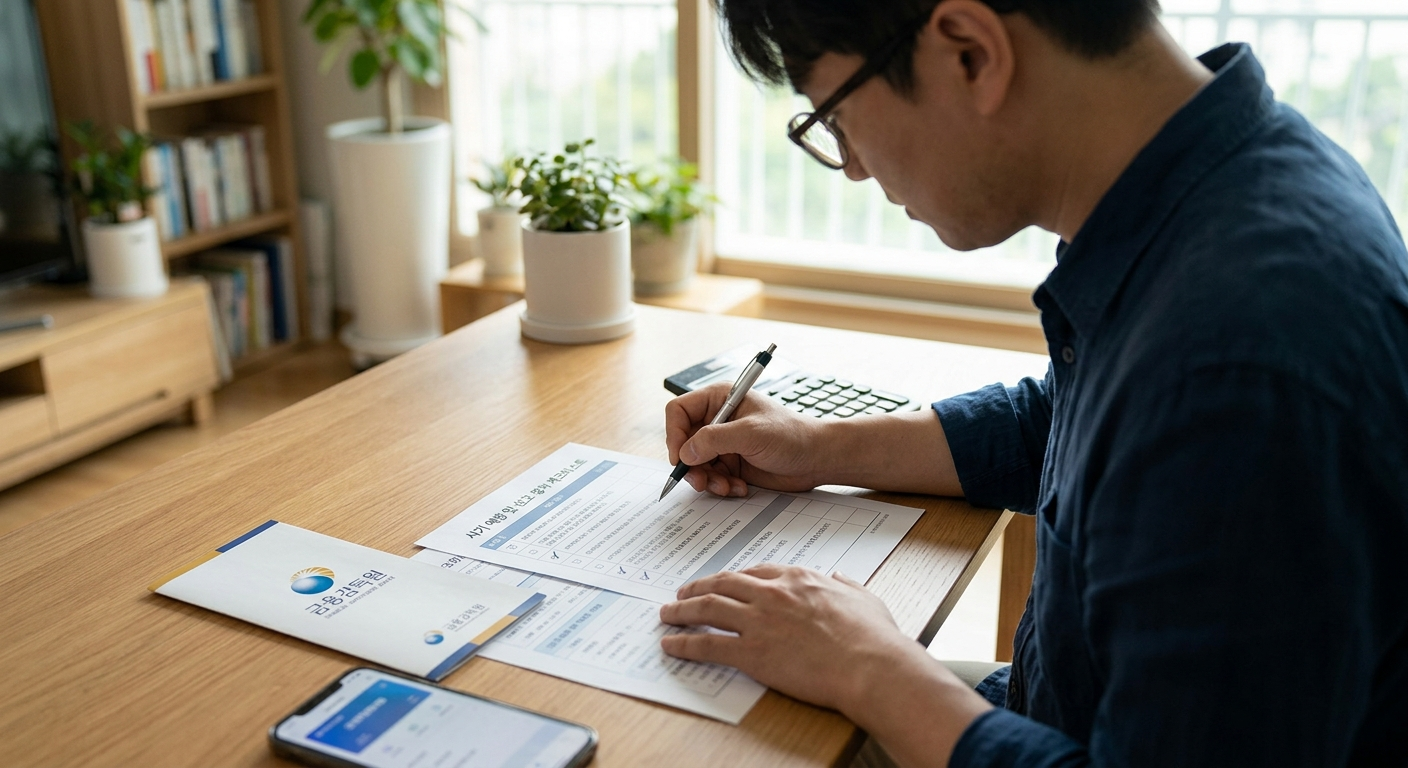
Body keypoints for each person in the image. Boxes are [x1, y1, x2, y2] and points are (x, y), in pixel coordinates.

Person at [655, 1, 1408, 766]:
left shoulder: (1242, 352)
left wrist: (868, 666)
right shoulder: (1225, 191)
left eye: (836, 117)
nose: (851, 165)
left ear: (969, 54)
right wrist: (815, 447)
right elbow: (1078, 425)